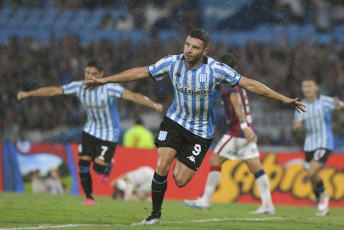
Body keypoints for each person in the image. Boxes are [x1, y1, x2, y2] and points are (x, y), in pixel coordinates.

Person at [83, 29, 306, 224]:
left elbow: (249, 83)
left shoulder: (217, 70)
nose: (188, 50)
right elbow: (141, 71)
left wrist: (283, 99)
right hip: (174, 122)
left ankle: (176, 167)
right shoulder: (172, 62)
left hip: (200, 133)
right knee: (162, 164)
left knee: (180, 180)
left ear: (205, 51)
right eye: (187, 44)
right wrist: (105, 80)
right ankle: (154, 214)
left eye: (195, 47)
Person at [17, 60, 163, 205]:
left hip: (109, 133)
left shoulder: (110, 88)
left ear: (101, 74)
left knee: (98, 167)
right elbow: (54, 90)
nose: (90, 76)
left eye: (94, 74)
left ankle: (107, 166)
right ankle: (89, 197)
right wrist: (29, 94)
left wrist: (153, 104)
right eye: (87, 72)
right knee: (83, 164)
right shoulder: (79, 87)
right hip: (90, 131)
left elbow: (133, 96)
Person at [184, 53, 275, 214]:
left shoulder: (229, 82)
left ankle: (205, 200)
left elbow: (237, 103)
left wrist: (244, 126)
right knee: (256, 167)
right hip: (245, 130)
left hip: (237, 132)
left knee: (215, 160)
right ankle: (268, 204)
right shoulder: (238, 81)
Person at [293, 78, 344, 216]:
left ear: (316, 87)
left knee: (311, 173)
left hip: (324, 143)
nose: (307, 89)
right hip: (309, 145)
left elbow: (341, 106)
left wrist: (339, 104)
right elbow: (297, 127)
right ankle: (320, 195)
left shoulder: (325, 101)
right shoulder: (300, 105)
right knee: (312, 177)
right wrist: (297, 129)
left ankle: (324, 195)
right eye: (304, 86)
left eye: (309, 86)